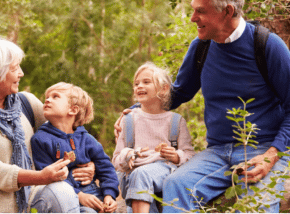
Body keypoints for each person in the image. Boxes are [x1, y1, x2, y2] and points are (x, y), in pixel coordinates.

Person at [116, 0, 290, 212]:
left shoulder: (267, 45)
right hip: (217, 152)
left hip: (263, 147)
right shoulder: (201, 47)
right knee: (176, 184)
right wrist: (135, 111)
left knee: (254, 207)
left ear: (227, 11)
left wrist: (271, 155)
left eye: (200, 11)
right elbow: (178, 93)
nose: (192, 18)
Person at [0, 36, 95, 213]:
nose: (21, 73)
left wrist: (91, 162)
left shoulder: (26, 102)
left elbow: (67, 131)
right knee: (64, 193)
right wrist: (41, 177)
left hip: (33, 197)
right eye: (14, 69)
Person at [112, 62, 195, 213]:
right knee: (138, 177)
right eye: (136, 83)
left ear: (163, 88)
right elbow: (117, 160)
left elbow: (189, 155)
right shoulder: (128, 120)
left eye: (146, 82)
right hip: (132, 179)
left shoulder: (175, 121)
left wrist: (176, 156)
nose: (139, 86)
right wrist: (127, 155)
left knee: (141, 174)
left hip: (165, 170)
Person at [31, 82, 120, 213]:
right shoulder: (40, 139)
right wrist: (79, 195)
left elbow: (106, 168)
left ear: (73, 110)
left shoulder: (87, 139)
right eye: (47, 97)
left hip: (94, 193)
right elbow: (47, 176)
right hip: (63, 198)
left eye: (55, 96)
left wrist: (109, 195)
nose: (47, 100)